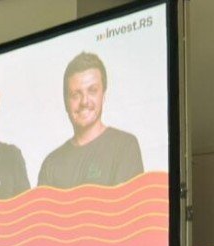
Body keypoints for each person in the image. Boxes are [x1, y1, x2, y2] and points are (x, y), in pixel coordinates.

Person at [38, 52, 144, 189]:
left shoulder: (125, 146)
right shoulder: (51, 164)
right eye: (76, 95)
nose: (84, 101)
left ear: (103, 95)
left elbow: (125, 203)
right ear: (65, 102)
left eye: (92, 91)